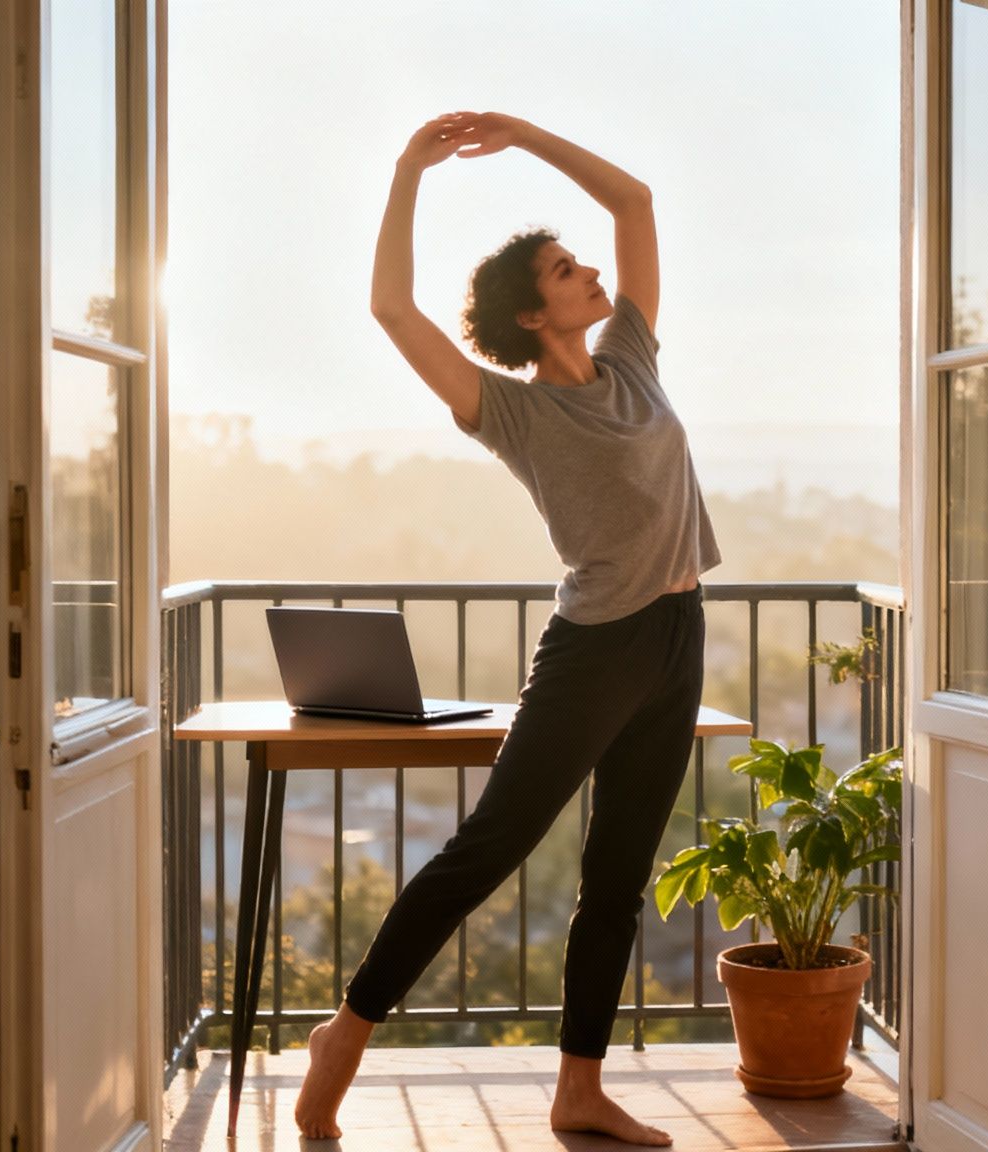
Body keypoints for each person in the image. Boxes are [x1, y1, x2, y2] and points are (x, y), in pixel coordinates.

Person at [292, 111, 722, 1146]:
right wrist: (407, 168)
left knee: (617, 877)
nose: (588, 273)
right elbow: (391, 309)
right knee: (488, 848)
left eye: (579, 263)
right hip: (596, 650)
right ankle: (345, 1033)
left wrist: (523, 137)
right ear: (533, 316)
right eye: (565, 270)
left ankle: (578, 1088)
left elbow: (635, 203)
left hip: (676, 636)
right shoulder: (513, 413)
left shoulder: (631, 361)